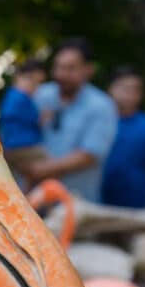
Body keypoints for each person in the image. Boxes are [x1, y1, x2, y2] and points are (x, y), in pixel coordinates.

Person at [29, 38, 118, 202]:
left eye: (70, 68)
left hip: (77, 203)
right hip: (33, 200)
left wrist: (40, 169)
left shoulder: (101, 106)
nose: (61, 74)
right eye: (58, 66)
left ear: (88, 70)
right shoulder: (41, 95)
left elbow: (89, 155)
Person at [101, 67, 145, 210]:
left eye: (136, 90)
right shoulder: (98, 122)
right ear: (111, 89)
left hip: (136, 205)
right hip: (97, 201)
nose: (130, 94)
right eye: (125, 88)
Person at [0, 60, 54, 174]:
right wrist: (45, 116)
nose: (33, 86)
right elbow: (37, 121)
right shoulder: (21, 98)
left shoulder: (12, 95)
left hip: (11, 146)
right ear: (18, 77)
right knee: (51, 167)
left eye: (38, 83)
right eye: (30, 79)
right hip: (22, 146)